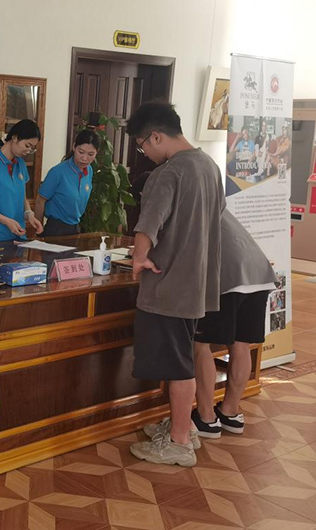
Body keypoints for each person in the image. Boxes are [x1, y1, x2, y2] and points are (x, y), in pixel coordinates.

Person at [126, 102, 224, 467]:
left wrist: (139, 257)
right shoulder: (209, 166)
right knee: (182, 356)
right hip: (197, 282)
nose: (145, 154)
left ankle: (179, 442)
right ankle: (184, 426)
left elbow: (148, 225)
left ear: (155, 136)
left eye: (142, 146)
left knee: (178, 365)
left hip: (168, 286)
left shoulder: (168, 173)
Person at [191, 209, 276, 439]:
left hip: (227, 278)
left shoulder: (191, 207)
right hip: (259, 275)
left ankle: (206, 417)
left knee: (200, 345)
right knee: (241, 345)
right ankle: (230, 412)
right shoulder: (218, 206)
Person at [0, 119, 44, 243]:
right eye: (27, 146)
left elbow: (22, 198)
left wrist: (29, 214)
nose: (28, 151)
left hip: (18, 236)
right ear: (15, 138)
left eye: (32, 148)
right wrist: (6, 221)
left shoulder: (20, 164)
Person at [35, 130, 100, 236]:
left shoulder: (89, 171)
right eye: (81, 152)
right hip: (56, 228)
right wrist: (38, 230)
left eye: (90, 154)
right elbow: (40, 201)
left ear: (97, 152)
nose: (84, 158)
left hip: (75, 227)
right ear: (74, 147)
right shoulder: (57, 172)